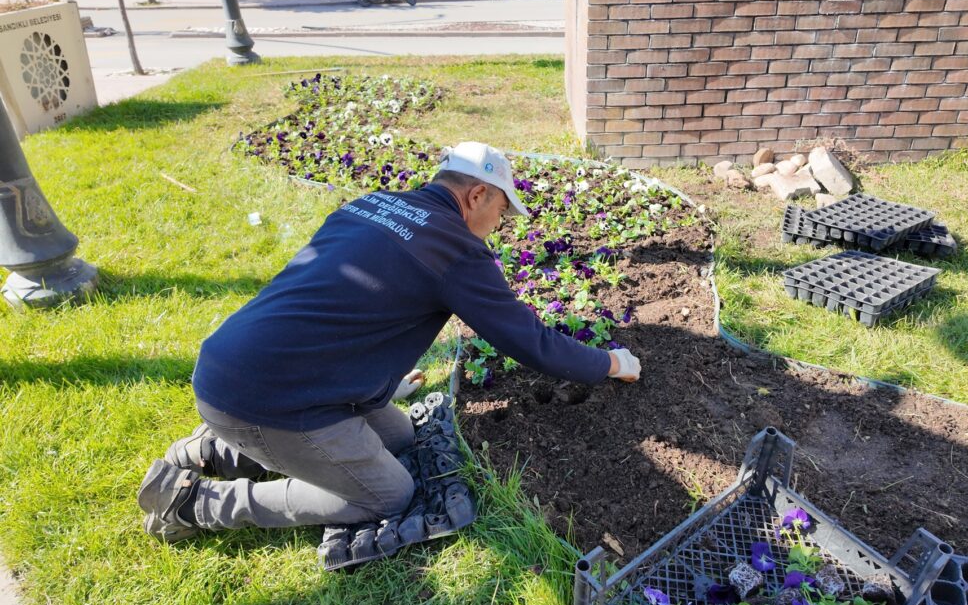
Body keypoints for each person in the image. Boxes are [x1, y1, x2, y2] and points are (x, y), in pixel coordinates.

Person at [137, 141, 642, 542]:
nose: (498, 227)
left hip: (231, 363)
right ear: (477, 196)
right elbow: (531, 342)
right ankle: (192, 503)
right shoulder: (457, 252)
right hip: (266, 398)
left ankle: (215, 449)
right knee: (386, 494)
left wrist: (384, 382)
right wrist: (611, 363)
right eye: (502, 212)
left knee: (399, 437)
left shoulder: (373, 204)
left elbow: (344, 301)